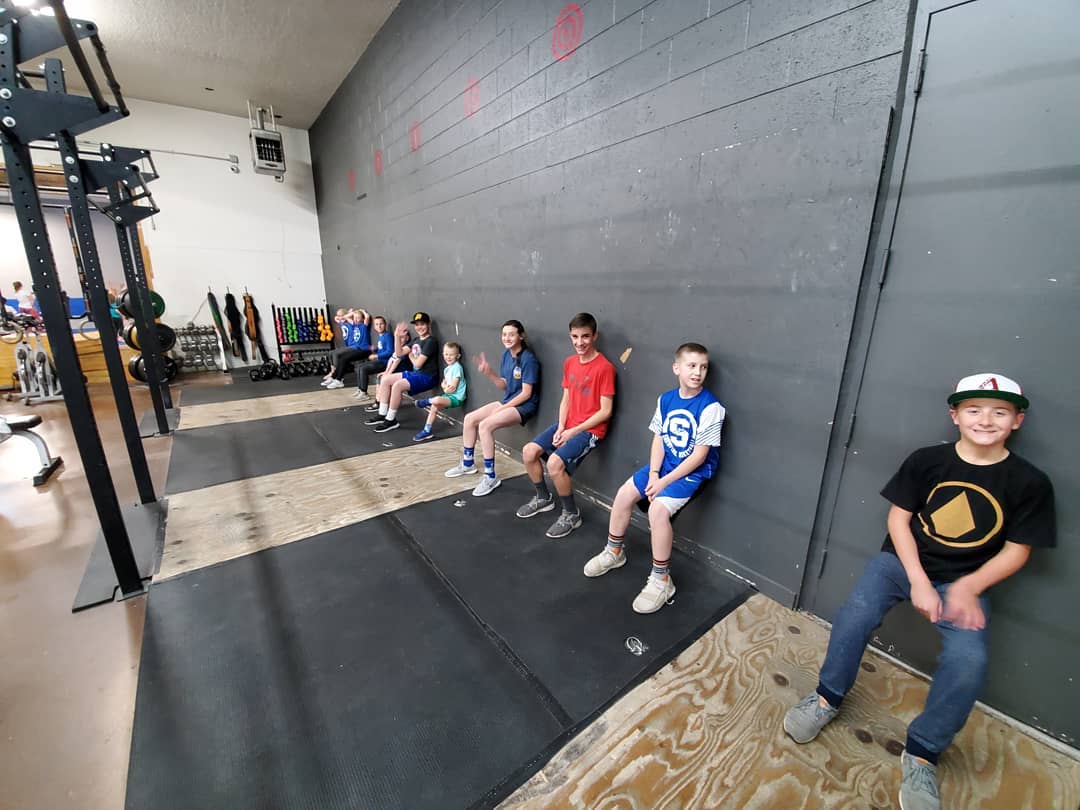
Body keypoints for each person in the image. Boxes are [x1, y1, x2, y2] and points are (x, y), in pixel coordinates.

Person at [783, 373, 1056, 810]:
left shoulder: (1030, 482)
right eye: (973, 409)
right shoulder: (928, 460)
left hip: (964, 581)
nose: (986, 420)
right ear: (955, 415)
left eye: (1000, 412)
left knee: (969, 662)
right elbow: (898, 520)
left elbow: (1018, 550)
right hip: (902, 565)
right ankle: (825, 698)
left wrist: (969, 586)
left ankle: (923, 752)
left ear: (1017, 420)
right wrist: (918, 581)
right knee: (854, 616)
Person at [583, 343, 724, 613]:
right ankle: (614, 552)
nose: (698, 372)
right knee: (624, 494)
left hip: (693, 472)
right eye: (692, 366)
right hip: (664, 467)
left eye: (703, 367)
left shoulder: (711, 407)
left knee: (657, 510)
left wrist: (664, 482)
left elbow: (699, 456)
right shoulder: (666, 399)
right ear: (677, 368)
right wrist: (654, 473)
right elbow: (659, 439)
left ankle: (662, 580)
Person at [516, 312, 615, 539]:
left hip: (590, 431)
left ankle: (571, 514)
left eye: (585, 336)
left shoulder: (605, 367)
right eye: (575, 337)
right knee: (529, 452)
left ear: (595, 336)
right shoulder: (569, 362)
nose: (579, 342)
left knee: (554, 463)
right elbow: (566, 399)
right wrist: (561, 427)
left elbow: (605, 411)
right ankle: (544, 498)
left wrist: (573, 431)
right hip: (568, 425)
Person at [445, 320, 541, 497]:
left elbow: (526, 393)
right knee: (470, 419)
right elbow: (504, 385)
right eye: (504, 334)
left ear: (521, 336)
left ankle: (490, 477)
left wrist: (503, 409)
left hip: (524, 406)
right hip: (509, 402)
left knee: (485, 426)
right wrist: (489, 373)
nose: (507, 338)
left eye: (511, 334)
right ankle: (467, 464)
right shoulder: (506, 355)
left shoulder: (528, 359)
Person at [363, 311, 438, 433]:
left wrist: (410, 355)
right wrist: (397, 336)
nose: (419, 327)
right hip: (417, 374)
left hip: (427, 377)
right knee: (385, 379)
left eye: (422, 324)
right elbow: (399, 353)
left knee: (398, 385)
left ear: (428, 324)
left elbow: (418, 364)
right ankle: (382, 413)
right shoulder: (416, 340)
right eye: (417, 324)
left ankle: (391, 420)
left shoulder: (431, 341)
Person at [412, 342, 467, 442]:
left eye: (451, 355)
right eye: (446, 354)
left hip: (457, 398)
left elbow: (453, 387)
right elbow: (444, 383)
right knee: (434, 407)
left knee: (436, 400)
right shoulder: (447, 369)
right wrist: (444, 387)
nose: (448, 357)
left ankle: (425, 402)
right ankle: (427, 430)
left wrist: (445, 388)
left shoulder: (457, 368)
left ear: (458, 356)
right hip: (449, 396)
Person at [322, 309, 371, 389]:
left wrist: (363, 311)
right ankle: (334, 377)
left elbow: (367, 317)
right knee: (341, 358)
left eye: (358, 318)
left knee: (343, 358)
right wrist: (352, 313)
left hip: (363, 349)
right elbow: (345, 317)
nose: (356, 319)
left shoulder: (364, 326)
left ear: (362, 319)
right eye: (354, 318)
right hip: (357, 349)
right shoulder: (354, 325)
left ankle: (339, 380)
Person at [354, 315, 393, 402]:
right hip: (380, 361)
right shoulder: (381, 336)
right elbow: (383, 348)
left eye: (381, 324)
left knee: (364, 369)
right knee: (359, 366)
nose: (379, 326)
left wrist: (376, 356)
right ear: (374, 327)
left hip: (386, 363)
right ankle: (360, 389)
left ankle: (364, 393)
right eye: (377, 324)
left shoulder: (388, 336)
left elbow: (390, 351)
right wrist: (375, 349)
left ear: (385, 325)